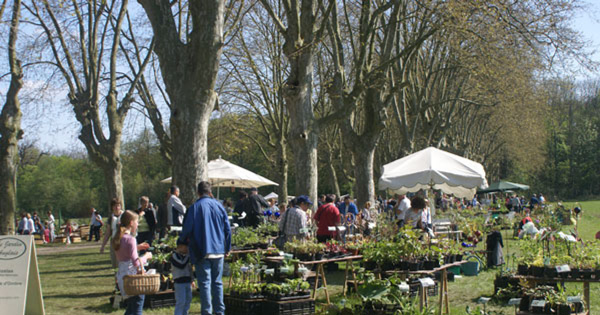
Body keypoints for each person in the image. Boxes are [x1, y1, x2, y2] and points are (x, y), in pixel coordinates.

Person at [179, 181, 231, 315]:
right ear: (210, 192)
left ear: (198, 192)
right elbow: (227, 229)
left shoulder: (194, 208)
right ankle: (220, 311)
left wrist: (181, 241)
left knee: (205, 284)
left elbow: (186, 229)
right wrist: (227, 247)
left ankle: (207, 312)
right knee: (217, 283)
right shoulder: (220, 207)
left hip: (202, 249)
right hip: (218, 249)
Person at [113, 210, 152, 315]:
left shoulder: (118, 238)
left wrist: (137, 247)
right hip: (134, 279)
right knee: (137, 307)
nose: (137, 224)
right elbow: (136, 263)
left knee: (131, 308)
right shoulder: (130, 239)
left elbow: (125, 254)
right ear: (131, 223)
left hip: (123, 278)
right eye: (136, 222)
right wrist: (147, 256)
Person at [101, 198, 125, 268]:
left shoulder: (125, 216)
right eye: (115, 206)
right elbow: (108, 232)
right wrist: (103, 246)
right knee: (115, 263)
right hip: (114, 242)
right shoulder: (111, 218)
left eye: (118, 205)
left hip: (124, 241)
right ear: (112, 207)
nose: (117, 208)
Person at [171, 242, 193, 315]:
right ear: (180, 247)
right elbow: (181, 264)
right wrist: (188, 256)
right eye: (186, 247)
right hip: (179, 282)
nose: (187, 249)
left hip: (187, 281)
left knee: (188, 300)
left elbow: (190, 269)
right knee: (181, 301)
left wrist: (192, 279)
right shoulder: (174, 256)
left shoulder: (186, 256)